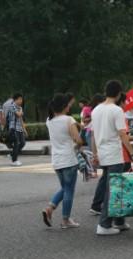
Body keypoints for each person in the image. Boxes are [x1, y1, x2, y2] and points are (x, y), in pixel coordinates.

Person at [90, 80, 133, 235]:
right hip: (114, 155)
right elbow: (122, 134)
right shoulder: (117, 111)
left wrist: (95, 153)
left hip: (103, 154)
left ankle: (119, 221)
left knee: (115, 188)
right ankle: (104, 225)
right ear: (119, 94)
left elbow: (93, 135)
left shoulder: (96, 110)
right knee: (113, 191)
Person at [42, 93, 83, 229]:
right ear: (65, 106)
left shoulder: (49, 121)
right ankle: (65, 220)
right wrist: (78, 145)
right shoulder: (68, 120)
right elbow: (78, 140)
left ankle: (50, 208)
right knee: (69, 190)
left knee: (65, 188)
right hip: (69, 160)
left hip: (57, 161)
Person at [8, 93, 28, 167]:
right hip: (13, 127)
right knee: (16, 143)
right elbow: (18, 114)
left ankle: (12, 154)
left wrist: (24, 129)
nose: (21, 101)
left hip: (19, 128)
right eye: (20, 99)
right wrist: (21, 112)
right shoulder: (12, 106)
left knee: (22, 143)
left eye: (21, 99)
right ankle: (14, 160)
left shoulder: (20, 107)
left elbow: (21, 119)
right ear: (15, 99)